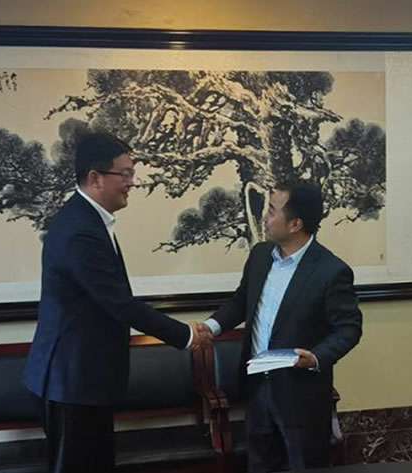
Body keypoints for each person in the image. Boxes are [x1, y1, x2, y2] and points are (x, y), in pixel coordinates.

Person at [23, 131, 212, 473]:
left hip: (84, 377)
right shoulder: (80, 229)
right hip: (72, 380)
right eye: (124, 174)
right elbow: (119, 303)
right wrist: (185, 335)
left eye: (132, 173)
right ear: (95, 177)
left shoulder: (87, 219)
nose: (132, 183)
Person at [203, 181, 362, 472]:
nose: (265, 217)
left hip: (300, 393)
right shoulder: (260, 255)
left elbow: (349, 329)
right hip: (257, 387)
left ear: (295, 224)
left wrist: (316, 357)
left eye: (272, 211)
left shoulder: (331, 271)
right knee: (260, 464)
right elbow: (242, 301)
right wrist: (210, 327)